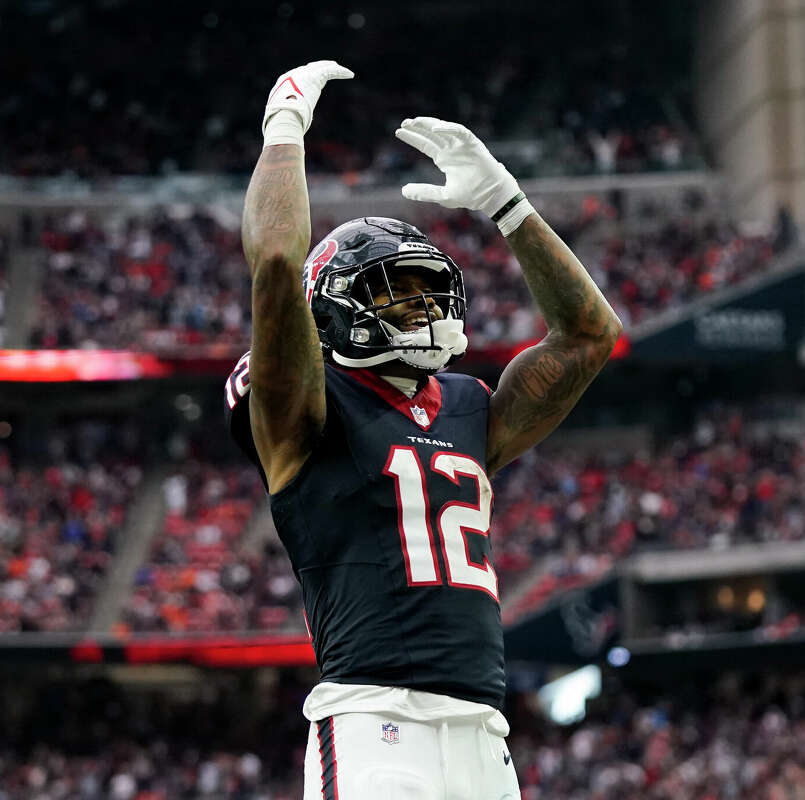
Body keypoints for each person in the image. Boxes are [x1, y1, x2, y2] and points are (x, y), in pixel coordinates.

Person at [225, 61, 622, 799]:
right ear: (332, 309)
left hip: (484, 733)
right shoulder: (308, 408)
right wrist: (284, 128)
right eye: (393, 292)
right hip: (375, 723)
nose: (420, 309)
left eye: (427, 290)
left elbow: (590, 335)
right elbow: (278, 263)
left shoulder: (469, 405)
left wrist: (507, 202)